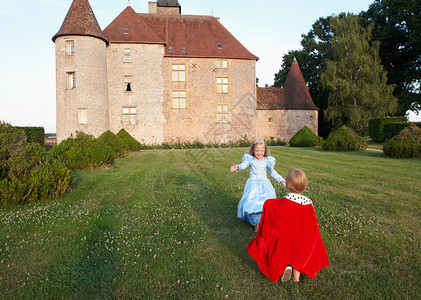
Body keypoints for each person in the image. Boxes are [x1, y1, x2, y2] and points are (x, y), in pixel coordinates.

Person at [247, 169, 329, 283]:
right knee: (298, 257)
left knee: (284, 253)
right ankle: (296, 279)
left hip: (286, 236)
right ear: (304, 186)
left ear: (288, 185)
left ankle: (286, 268)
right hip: (302, 238)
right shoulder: (308, 203)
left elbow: (275, 210)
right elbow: (312, 221)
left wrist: (267, 203)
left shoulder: (284, 203)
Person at [230, 139, 286, 232]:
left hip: (265, 185)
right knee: (253, 203)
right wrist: (237, 167)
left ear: (265, 151)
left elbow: (273, 172)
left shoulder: (268, 161)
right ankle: (256, 223)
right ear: (253, 150)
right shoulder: (250, 159)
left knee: (266, 202)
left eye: (262, 151)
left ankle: (265, 221)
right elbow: (244, 165)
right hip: (253, 185)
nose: (259, 153)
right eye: (257, 150)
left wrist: (282, 180)